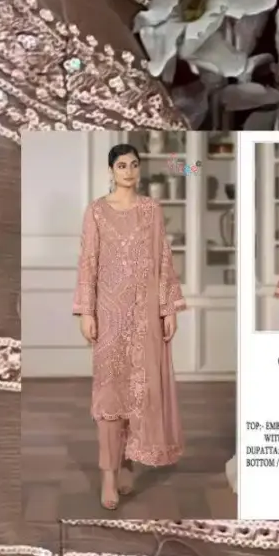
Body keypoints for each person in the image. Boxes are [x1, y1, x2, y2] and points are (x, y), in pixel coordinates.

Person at [75, 144, 185, 510]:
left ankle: (127, 461)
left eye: (134, 164)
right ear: (111, 170)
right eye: (122, 165)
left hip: (145, 313)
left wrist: (168, 309)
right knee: (110, 392)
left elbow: (163, 259)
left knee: (141, 390)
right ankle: (108, 473)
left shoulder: (151, 209)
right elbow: (88, 262)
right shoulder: (96, 211)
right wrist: (87, 312)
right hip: (109, 312)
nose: (129, 171)